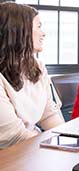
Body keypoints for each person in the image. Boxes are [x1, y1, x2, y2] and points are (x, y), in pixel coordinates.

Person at [0, 2, 65, 148]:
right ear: (18, 31)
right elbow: (14, 136)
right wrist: (52, 144)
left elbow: (48, 114)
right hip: (9, 153)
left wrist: (68, 137)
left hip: (32, 144)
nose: (43, 33)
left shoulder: (37, 66)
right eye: (38, 26)